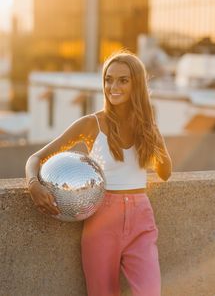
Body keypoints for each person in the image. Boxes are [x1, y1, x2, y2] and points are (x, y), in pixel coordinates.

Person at [25, 51, 172, 296]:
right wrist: (33, 185)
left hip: (141, 217)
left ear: (136, 83)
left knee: (150, 292)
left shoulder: (148, 126)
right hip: (102, 217)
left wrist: (152, 133)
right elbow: (36, 158)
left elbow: (165, 173)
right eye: (108, 79)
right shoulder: (91, 124)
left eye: (123, 80)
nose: (113, 86)